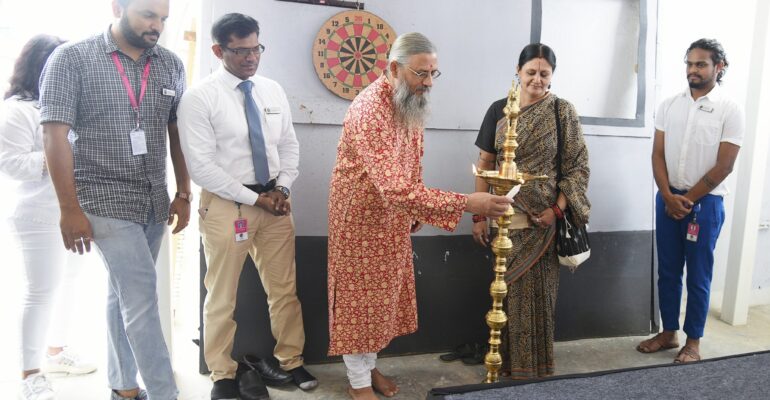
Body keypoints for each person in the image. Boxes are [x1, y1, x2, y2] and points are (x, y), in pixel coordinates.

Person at [327, 32, 513, 400]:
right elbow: (394, 188)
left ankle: (369, 365)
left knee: (381, 301)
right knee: (359, 302)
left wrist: (416, 210)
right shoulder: (370, 110)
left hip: (392, 215)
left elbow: (410, 163)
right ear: (394, 68)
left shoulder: (406, 101)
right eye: (421, 74)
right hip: (360, 220)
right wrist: (467, 203)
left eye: (433, 74)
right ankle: (357, 382)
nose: (428, 83)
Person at [38, 0, 190, 398]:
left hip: (153, 199)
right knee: (141, 298)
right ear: (117, 7)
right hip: (101, 196)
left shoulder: (171, 63)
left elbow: (177, 132)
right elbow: (54, 135)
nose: (156, 26)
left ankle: (122, 386)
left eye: (163, 19)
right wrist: (69, 209)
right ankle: (164, 393)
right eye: (148, 15)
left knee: (121, 293)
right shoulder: (72, 58)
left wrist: (184, 191)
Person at [177, 13, 316, 400]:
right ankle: (222, 372)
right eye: (240, 51)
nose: (251, 57)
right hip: (228, 205)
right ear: (219, 50)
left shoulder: (271, 90)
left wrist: (283, 189)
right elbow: (201, 165)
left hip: (275, 202)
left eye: (256, 48)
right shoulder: (199, 97)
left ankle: (291, 359)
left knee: (284, 288)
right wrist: (256, 198)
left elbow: (288, 145)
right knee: (222, 293)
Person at [472, 43, 590, 379]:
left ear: (552, 76)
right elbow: (486, 163)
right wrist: (478, 216)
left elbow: (577, 168)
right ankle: (505, 367)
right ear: (518, 71)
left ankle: (535, 371)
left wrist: (557, 209)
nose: (537, 79)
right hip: (505, 221)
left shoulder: (561, 111)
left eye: (544, 73)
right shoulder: (500, 109)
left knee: (539, 302)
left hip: (544, 227)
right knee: (504, 298)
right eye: (531, 72)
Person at [0, 34, 98, 400]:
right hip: (36, 215)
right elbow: (8, 163)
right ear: (42, 66)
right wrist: (56, 155)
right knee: (40, 292)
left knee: (68, 283)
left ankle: (56, 350)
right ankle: (29, 374)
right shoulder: (18, 109)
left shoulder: (65, 105)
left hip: (73, 212)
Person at [637, 38, 743, 363]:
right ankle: (669, 333)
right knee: (668, 271)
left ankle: (693, 341)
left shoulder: (730, 109)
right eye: (689, 64)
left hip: (705, 205)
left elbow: (725, 165)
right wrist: (669, 196)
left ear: (718, 67)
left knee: (699, 275)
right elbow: (657, 154)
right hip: (668, 198)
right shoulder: (670, 104)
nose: (693, 70)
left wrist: (687, 199)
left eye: (700, 64)